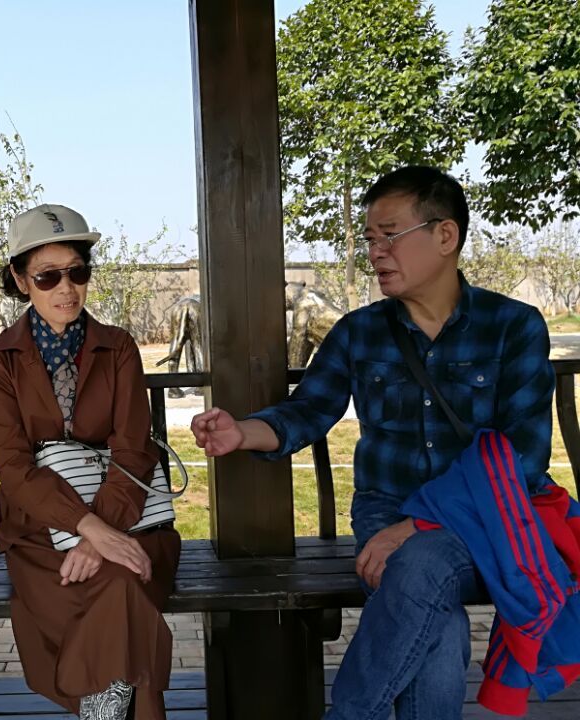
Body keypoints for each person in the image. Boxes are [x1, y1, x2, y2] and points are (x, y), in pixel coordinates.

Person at [191, 166, 556, 719]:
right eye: (369, 239)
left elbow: (523, 460)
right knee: (439, 623)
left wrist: (416, 528)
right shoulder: (360, 332)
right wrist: (242, 432)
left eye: (390, 235)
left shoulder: (513, 327)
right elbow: (309, 410)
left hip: (485, 519)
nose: (376, 252)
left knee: (418, 563)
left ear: (445, 235)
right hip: (386, 511)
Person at [0, 204, 181, 720]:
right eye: (48, 276)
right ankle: (111, 706)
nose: (66, 288)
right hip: (39, 533)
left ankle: (101, 708)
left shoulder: (119, 347)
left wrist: (100, 535)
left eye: (77, 272)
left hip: (132, 521)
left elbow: (133, 449)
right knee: (122, 591)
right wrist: (88, 528)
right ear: (20, 280)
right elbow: (13, 467)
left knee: (121, 577)